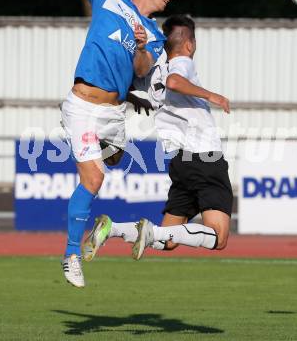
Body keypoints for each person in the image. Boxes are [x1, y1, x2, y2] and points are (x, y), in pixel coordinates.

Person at [58, 0, 177, 287]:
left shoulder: (155, 37)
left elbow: (142, 68)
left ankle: (88, 142)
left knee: (114, 159)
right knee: (94, 180)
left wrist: (141, 46)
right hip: (83, 105)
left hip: (112, 114)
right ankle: (71, 255)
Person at [82, 15, 233, 263]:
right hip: (205, 158)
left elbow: (119, 88)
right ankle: (149, 232)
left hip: (181, 164)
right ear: (190, 44)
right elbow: (175, 81)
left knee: (168, 240)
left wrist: (132, 99)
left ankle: (113, 228)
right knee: (218, 237)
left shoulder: (152, 76)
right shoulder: (182, 62)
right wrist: (211, 95)